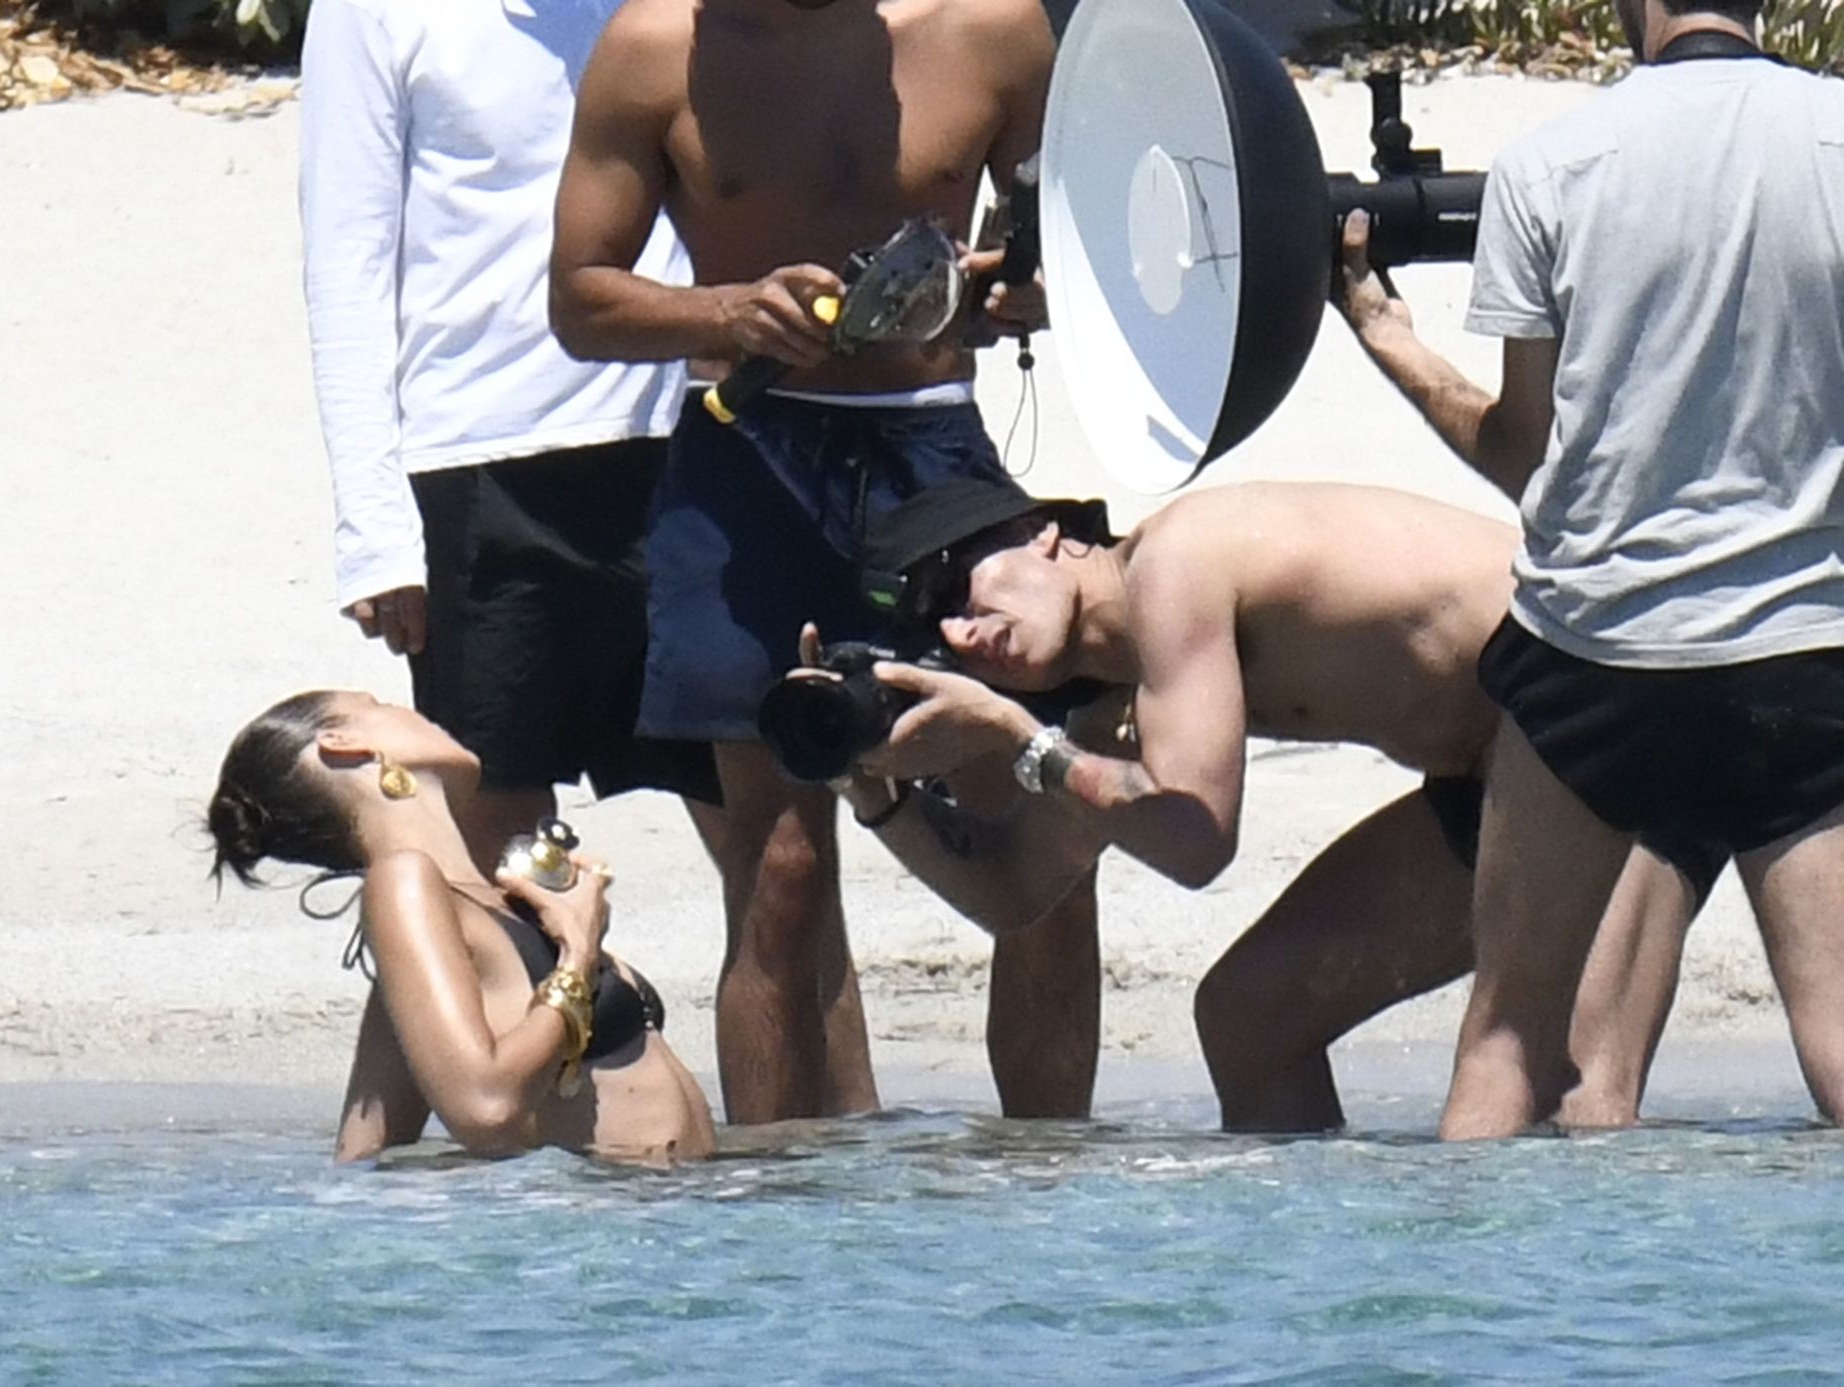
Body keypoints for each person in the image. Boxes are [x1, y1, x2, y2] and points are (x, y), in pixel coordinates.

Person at [798, 476, 1712, 1132]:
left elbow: (1197, 835)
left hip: (1619, 700)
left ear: (1043, 535)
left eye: (959, 586)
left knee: (1569, 1095)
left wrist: (1014, 737)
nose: (964, 631)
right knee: (1250, 1019)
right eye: (937, 636)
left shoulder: (1172, 565)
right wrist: (872, 794)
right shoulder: (1115, 705)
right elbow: (1013, 889)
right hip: (1500, 771)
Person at [547, 0, 1076, 1122]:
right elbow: (581, 298)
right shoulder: (653, 48)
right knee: (780, 870)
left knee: (1038, 842)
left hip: (937, 454)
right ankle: (778, 1206)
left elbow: (1066, 240)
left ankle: (1051, 1176)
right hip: (748, 460)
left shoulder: (993, 26)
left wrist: (1029, 290)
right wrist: (728, 310)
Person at [1334, 0, 1844, 1136]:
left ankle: (1474, 1262)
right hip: (1804, 653)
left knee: (1509, 1038)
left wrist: (1390, 340)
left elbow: (1524, 454)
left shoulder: (1550, 164)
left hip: (1598, 655)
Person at [298, 0, 717, 875]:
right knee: (500, 856)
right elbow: (347, 260)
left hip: (687, 440)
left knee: (779, 842)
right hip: (482, 462)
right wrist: (375, 531)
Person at [207, 691, 717, 1165]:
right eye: (378, 704)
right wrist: (580, 951)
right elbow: (486, 1109)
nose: (412, 711)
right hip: (612, 1215)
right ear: (342, 741)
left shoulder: (471, 903)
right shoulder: (403, 881)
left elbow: (365, 1153)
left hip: (659, 1209)